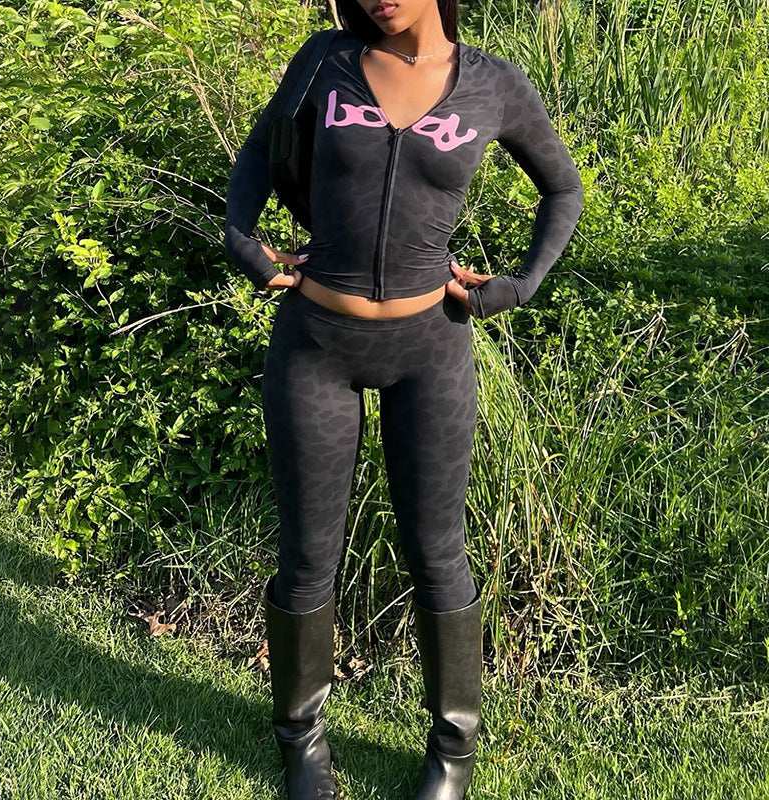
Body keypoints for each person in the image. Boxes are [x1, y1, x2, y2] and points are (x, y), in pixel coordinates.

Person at [225, 0, 584, 796]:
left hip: (431, 350)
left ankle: (452, 752)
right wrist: (241, 238)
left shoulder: (494, 84)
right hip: (316, 345)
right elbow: (259, 149)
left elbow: (562, 188)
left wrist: (520, 284)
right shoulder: (325, 61)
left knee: (438, 551)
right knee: (308, 555)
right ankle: (301, 744)